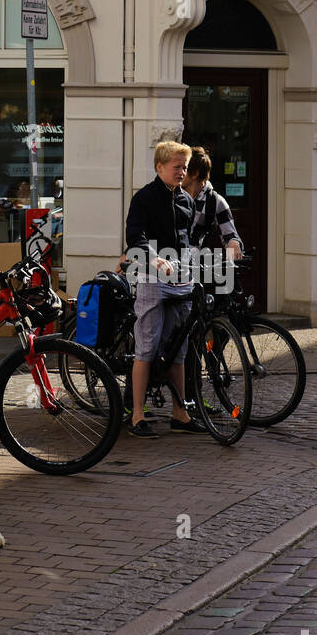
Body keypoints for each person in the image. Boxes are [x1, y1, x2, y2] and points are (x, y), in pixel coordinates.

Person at [123, 140, 200, 438]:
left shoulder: (186, 200)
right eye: (176, 166)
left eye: (184, 167)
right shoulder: (144, 198)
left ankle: (179, 413)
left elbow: (187, 241)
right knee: (147, 347)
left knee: (178, 350)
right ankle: (138, 415)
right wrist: (153, 258)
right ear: (159, 167)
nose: (182, 172)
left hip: (181, 280)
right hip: (153, 279)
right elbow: (135, 235)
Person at [183, 147, 244, 263]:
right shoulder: (172, 195)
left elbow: (230, 235)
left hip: (193, 268)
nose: (179, 172)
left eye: (184, 168)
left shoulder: (215, 201)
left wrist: (233, 244)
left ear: (195, 173)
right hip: (165, 264)